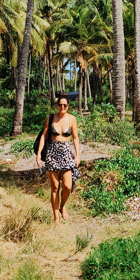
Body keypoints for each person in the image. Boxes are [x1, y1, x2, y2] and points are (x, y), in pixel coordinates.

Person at [36, 95, 80, 223]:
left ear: (68, 106)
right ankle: (56, 218)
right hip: (52, 154)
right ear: (57, 105)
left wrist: (77, 155)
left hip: (66, 154)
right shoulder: (50, 118)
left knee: (67, 186)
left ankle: (62, 206)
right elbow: (44, 136)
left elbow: (75, 138)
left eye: (65, 105)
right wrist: (39, 154)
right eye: (60, 105)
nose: (62, 107)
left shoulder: (72, 119)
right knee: (55, 186)